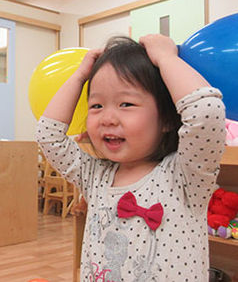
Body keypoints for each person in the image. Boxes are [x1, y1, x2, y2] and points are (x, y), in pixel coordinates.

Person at [36, 34, 226, 281]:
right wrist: (79, 76)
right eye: (96, 106)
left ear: (167, 118)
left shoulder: (186, 175)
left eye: (126, 104)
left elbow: (206, 112)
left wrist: (166, 58)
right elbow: (47, 135)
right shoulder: (95, 175)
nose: (108, 118)